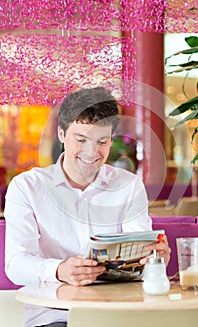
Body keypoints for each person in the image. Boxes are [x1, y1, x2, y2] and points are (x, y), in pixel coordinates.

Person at [4, 87, 170, 327]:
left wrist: (154, 258)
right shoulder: (27, 187)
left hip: (118, 315)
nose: (92, 152)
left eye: (101, 142)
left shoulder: (128, 186)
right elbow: (16, 265)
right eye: (81, 140)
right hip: (54, 316)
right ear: (61, 134)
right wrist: (60, 270)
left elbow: (140, 249)